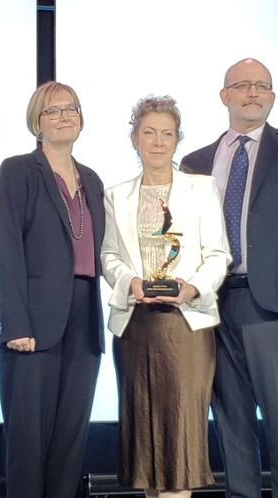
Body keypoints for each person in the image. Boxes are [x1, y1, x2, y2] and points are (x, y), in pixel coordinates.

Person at [180, 58, 278, 498]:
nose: (254, 93)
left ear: (271, 96)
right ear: (224, 95)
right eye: (243, 85)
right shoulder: (195, 162)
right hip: (212, 309)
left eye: (262, 86)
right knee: (232, 431)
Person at [101, 95, 231, 498]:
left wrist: (192, 287)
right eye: (149, 133)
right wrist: (130, 282)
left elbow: (218, 254)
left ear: (178, 140)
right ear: (134, 138)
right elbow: (108, 255)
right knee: (146, 445)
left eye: (167, 134)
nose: (158, 142)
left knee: (179, 441)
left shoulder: (201, 188)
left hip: (186, 327)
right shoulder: (115, 194)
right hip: (135, 327)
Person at [0, 81, 105, 498]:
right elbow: (6, 251)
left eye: (70, 109)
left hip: (84, 320)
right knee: (28, 443)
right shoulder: (18, 170)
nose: (63, 116)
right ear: (37, 121)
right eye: (52, 111)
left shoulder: (91, 178)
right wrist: (15, 322)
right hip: (31, 322)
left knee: (70, 443)